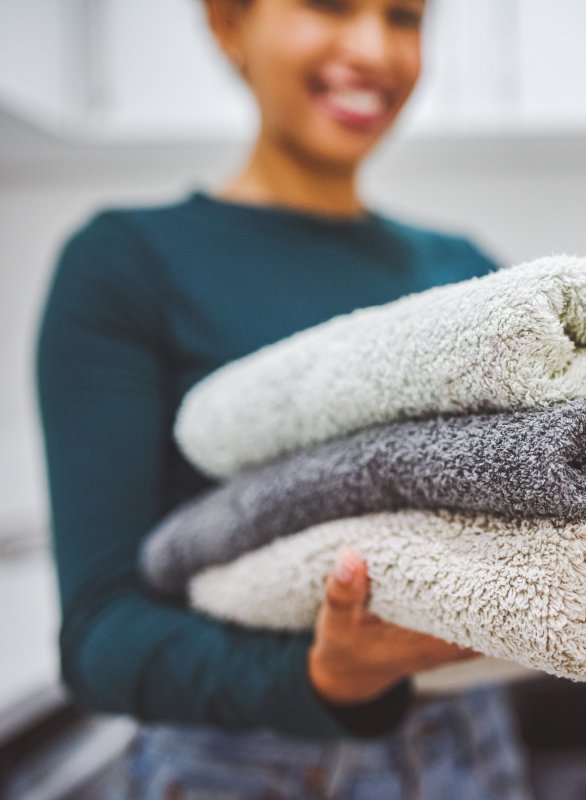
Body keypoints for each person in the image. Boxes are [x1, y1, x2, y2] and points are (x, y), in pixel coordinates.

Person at [34, 0, 533, 796]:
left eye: (404, 17)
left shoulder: (466, 271)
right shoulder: (127, 266)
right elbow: (100, 637)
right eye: (328, 5)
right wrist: (325, 675)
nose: (372, 48)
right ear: (228, 23)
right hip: (244, 764)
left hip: (469, 747)